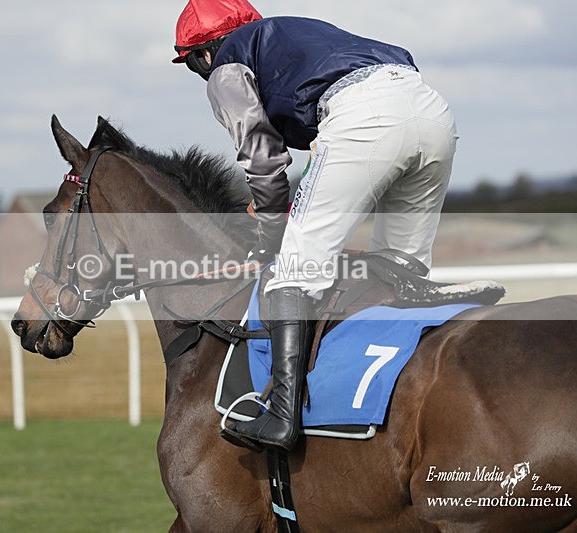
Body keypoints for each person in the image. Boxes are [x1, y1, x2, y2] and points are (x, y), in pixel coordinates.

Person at [173, 0, 457, 452]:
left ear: (204, 53)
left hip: (364, 114)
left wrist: (271, 233)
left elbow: (263, 160)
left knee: (293, 271)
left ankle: (281, 417)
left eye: (193, 65)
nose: (202, 75)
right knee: (399, 270)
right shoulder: (294, 36)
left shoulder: (228, 64)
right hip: (431, 109)